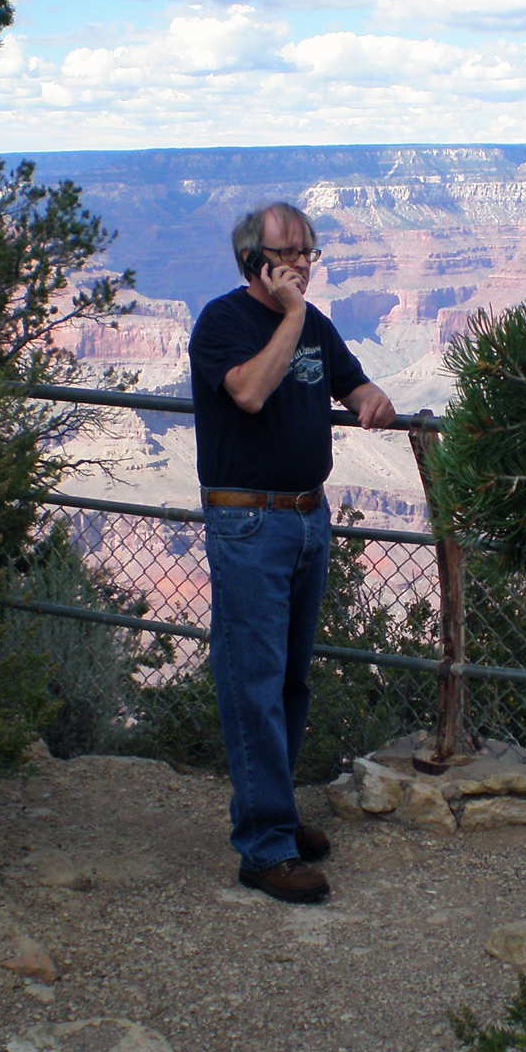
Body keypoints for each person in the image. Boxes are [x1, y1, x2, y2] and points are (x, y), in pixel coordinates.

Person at [187, 202, 397, 903]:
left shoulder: (316, 325)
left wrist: (371, 395)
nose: (303, 262)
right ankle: (265, 848)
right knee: (252, 683)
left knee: (288, 682)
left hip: (308, 520)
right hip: (248, 526)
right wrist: (289, 316)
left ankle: (273, 809)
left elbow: (351, 380)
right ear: (253, 261)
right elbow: (246, 392)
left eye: (308, 250)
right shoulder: (222, 323)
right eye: (289, 253)